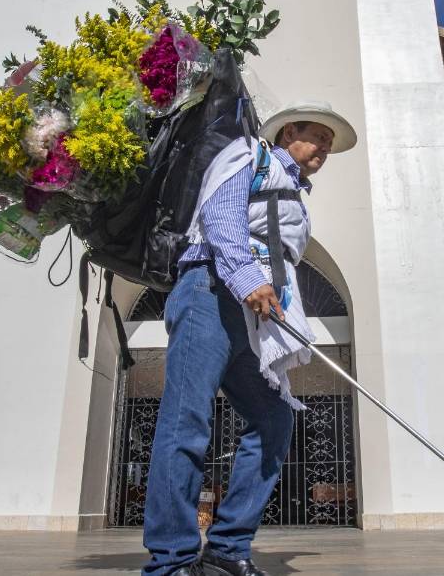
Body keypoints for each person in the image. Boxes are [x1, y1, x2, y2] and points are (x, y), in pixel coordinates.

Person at [141, 102, 357, 576]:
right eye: (317, 135)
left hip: (253, 316)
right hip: (211, 292)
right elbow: (220, 216)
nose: (324, 147)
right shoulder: (246, 154)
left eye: (329, 143)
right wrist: (245, 277)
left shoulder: (295, 193)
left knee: (274, 419)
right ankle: (171, 560)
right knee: (187, 420)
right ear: (287, 133)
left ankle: (226, 548)